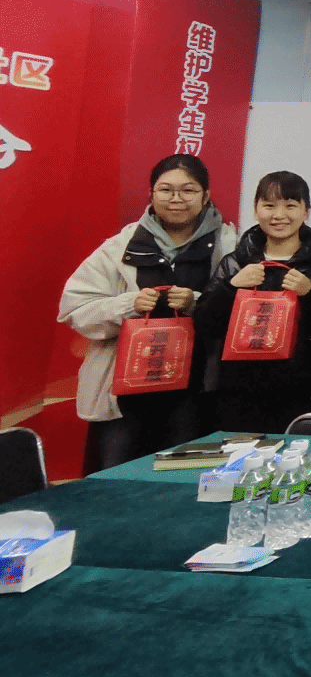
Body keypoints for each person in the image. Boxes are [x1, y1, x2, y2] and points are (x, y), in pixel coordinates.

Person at [59, 155, 238, 472]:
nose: (176, 199)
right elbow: (74, 308)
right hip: (125, 398)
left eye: (188, 190)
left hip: (197, 396)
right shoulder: (121, 247)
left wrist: (198, 303)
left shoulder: (231, 247)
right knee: (115, 484)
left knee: (185, 487)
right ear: (151, 194)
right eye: (166, 190)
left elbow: (245, 316)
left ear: (205, 196)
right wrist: (127, 305)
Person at [196, 171, 311, 435]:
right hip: (238, 394)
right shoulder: (234, 262)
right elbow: (205, 324)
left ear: (307, 211)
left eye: (290, 205)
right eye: (269, 205)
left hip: (302, 393)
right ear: (255, 210)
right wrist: (231, 287)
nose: (279, 215)